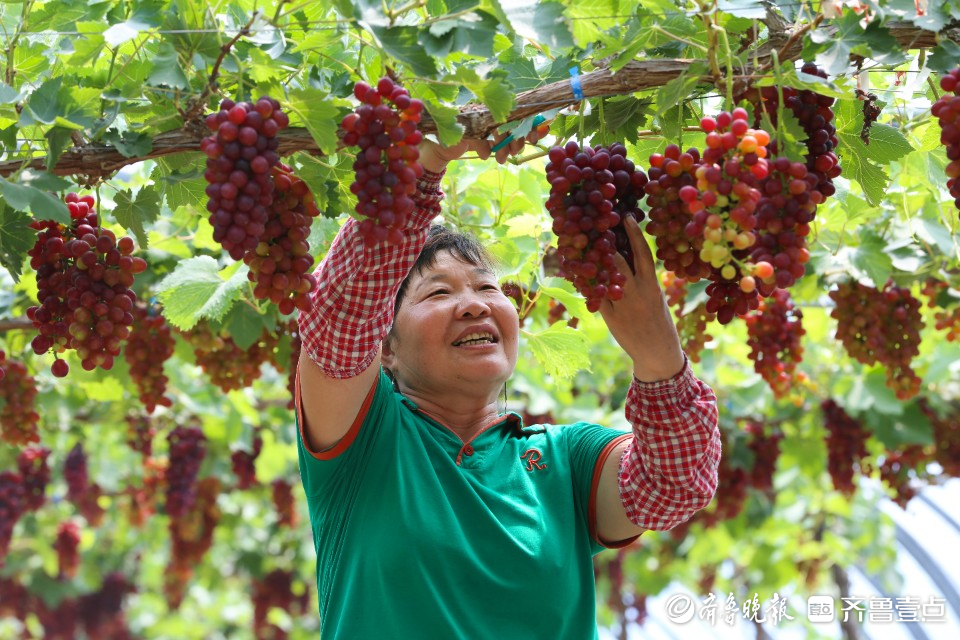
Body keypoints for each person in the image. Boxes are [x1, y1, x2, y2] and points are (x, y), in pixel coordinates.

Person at [295, 132, 721, 639]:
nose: (474, 303)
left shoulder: (568, 461)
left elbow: (672, 487)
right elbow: (339, 315)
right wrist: (423, 162)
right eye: (438, 292)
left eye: (486, 287)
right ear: (385, 347)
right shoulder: (367, 440)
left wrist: (658, 356)